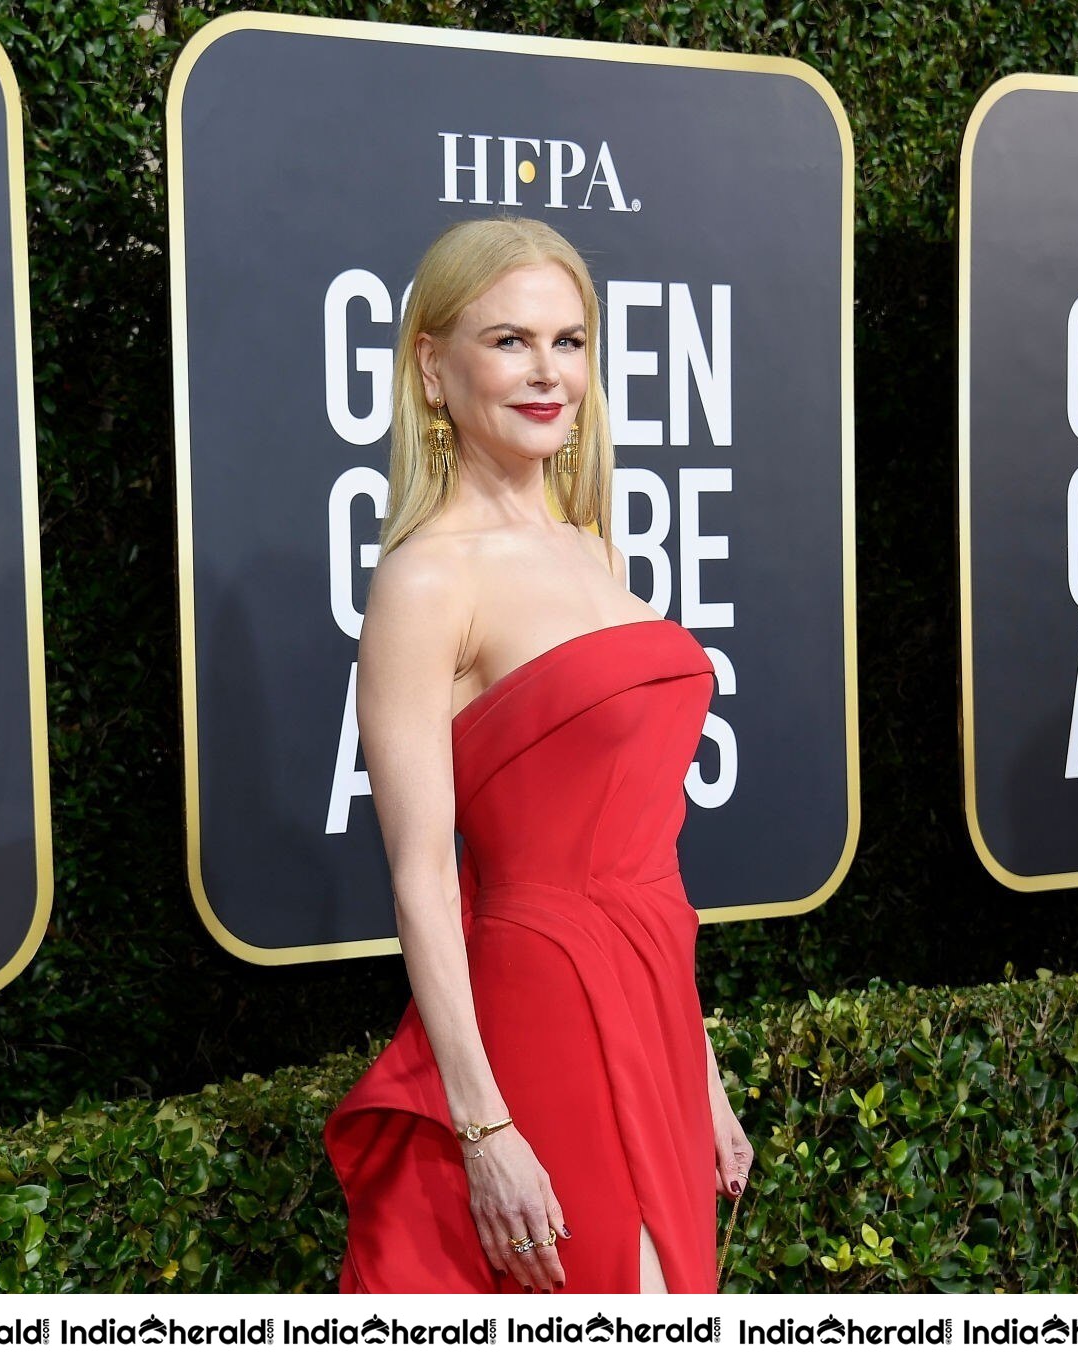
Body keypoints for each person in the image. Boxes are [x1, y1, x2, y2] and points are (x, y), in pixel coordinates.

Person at [323, 216, 752, 1294]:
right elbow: (424, 878)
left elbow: (646, 855)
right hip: (542, 1002)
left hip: (653, 995)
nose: (546, 371)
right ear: (432, 368)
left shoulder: (593, 548)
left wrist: (699, 1068)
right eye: (509, 340)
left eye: (568, 341)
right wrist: (482, 1128)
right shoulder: (426, 581)